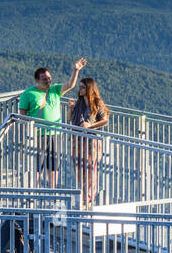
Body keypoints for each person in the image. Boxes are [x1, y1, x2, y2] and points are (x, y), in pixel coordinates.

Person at [19, 59, 86, 187]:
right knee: (37, 165)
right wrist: (28, 130)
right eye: (44, 79)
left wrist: (76, 70)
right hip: (38, 134)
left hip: (55, 133)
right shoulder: (28, 93)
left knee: (54, 165)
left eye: (49, 78)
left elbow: (70, 85)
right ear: (37, 80)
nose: (48, 81)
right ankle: (35, 192)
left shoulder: (55, 90)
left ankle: (53, 191)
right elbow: (22, 114)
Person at [69, 77, 109, 208]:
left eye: (82, 87)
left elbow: (105, 120)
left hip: (91, 140)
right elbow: (71, 119)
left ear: (89, 89)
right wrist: (70, 108)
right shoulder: (78, 102)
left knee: (90, 169)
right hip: (78, 139)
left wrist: (90, 126)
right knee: (79, 169)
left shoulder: (97, 103)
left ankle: (89, 200)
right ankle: (83, 197)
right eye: (79, 87)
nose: (79, 89)